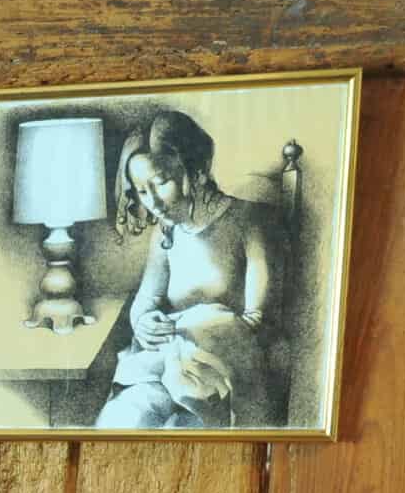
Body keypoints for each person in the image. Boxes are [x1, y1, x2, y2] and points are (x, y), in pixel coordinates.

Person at [95, 111, 286, 430]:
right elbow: (146, 299)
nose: (152, 201)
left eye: (161, 183)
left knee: (184, 429)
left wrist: (195, 330)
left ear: (196, 170)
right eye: (142, 191)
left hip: (229, 371)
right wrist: (144, 322)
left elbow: (258, 320)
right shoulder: (165, 233)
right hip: (165, 365)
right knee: (125, 418)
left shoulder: (248, 222)